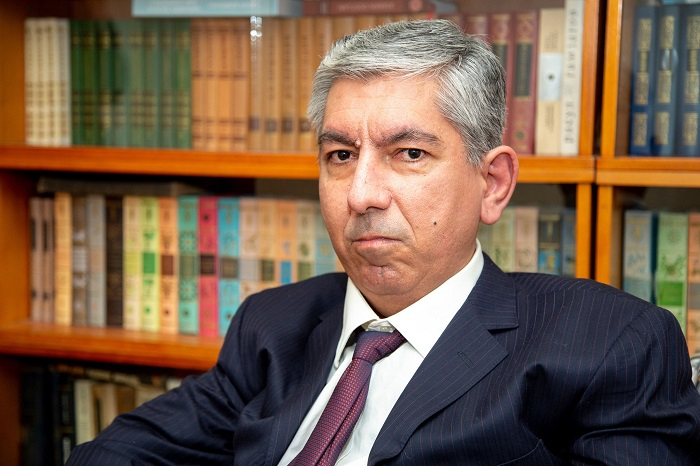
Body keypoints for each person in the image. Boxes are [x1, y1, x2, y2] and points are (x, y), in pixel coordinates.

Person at [67, 19, 700, 465]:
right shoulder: (273, 325)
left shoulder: (609, 345)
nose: (362, 194)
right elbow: (114, 454)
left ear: (493, 184)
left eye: (409, 153)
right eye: (340, 156)